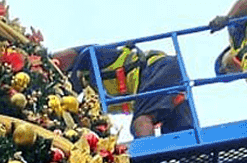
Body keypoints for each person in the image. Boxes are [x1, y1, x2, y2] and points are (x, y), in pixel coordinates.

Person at [52, 44, 194, 137]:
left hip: (157, 69)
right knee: (180, 133)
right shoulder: (93, 103)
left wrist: (46, 60)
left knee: (142, 120)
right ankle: (200, 162)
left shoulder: (99, 58)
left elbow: (72, 55)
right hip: (172, 78)